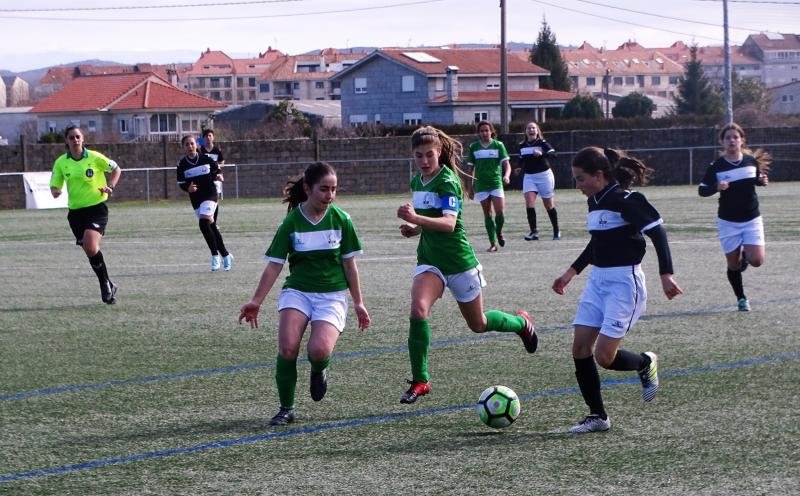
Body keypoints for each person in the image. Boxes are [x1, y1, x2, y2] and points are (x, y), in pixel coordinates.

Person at [397, 126, 538, 405]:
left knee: (479, 323)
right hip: (430, 261)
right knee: (418, 309)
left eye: (429, 155)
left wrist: (417, 219)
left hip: (459, 261)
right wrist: (413, 229)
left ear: (439, 153)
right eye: (418, 156)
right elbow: (429, 220)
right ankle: (420, 380)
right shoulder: (417, 181)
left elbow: (448, 225)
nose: (424, 161)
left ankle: (522, 323)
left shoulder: (447, 181)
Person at [551, 146, 682, 434]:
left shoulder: (627, 200)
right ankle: (597, 416)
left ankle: (645, 362)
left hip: (625, 284)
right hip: (598, 282)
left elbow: (657, 232)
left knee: (604, 357)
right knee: (580, 347)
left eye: (581, 178)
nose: (578, 185)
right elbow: (597, 243)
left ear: (600, 175)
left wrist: (666, 275)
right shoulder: (595, 201)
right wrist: (571, 273)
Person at [238, 162, 370, 426]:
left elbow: (349, 265)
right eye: (324, 189)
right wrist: (256, 301)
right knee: (287, 347)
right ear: (308, 189)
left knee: (319, 350)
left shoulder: (342, 220)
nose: (329, 195)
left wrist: (358, 302)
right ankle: (286, 408)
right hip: (297, 292)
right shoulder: (292, 222)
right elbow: (275, 264)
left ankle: (319, 369)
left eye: (334, 189)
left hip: (331, 295)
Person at [698, 123, 770, 312]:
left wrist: (761, 181)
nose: (732, 140)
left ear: (742, 140)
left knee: (757, 261)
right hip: (728, 221)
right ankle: (741, 298)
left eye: (735, 137)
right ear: (722, 141)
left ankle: (747, 255)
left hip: (751, 218)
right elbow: (702, 190)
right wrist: (716, 187)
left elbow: (755, 179)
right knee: (733, 264)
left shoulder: (750, 161)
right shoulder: (716, 166)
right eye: (728, 137)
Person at [49, 125, 122, 304]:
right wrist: (55, 191)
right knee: (91, 252)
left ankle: (104, 285)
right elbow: (55, 185)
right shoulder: (61, 162)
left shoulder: (95, 157)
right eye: (71, 137)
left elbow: (116, 169)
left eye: (78, 137)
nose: (75, 140)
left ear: (83, 139)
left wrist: (110, 186)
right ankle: (107, 283)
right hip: (75, 213)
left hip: (96, 208)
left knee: (90, 245)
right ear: (66, 140)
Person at [176, 135, 233, 272]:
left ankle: (215, 256)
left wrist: (219, 175)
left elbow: (216, 170)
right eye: (187, 144)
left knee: (203, 223)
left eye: (192, 144)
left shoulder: (205, 158)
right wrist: (187, 188)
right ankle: (225, 255)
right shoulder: (181, 164)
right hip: (196, 199)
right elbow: (181, 183)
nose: (190, 146)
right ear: (183, 147)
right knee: (211, 227)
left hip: (210, 194)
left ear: (196, 145)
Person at [467, 120, 511, 251]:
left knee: (500, 212)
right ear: (478, 133)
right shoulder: (474, 147)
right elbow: (470, 170)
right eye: (482, 131)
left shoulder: (498, 145)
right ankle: (493, 243)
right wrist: (470, 188)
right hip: (481, 185)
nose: (485, 133)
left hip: (496, 183)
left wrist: (507, 175)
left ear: (491, 131)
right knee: (487, 214)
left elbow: (507, 164)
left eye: (487, 130)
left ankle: (499, 232)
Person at [514, 121, 561, 241]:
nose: (531, 130)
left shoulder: (542, 143)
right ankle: (534, 232)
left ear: (537, 130)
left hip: (544, 176)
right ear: (526, 131)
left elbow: (554, 155)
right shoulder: (522, 145)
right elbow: (521, 159)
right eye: (529, 128)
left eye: (533, 128)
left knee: (549, 205)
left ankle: (556, 231)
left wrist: (542, 154)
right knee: (529, 203)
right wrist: (518, 167)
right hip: (529, 177)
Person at [200, 128, 225, 205]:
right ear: (203, 138)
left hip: (216, 175)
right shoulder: (201, 150)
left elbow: (222, 163)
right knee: (204, 195)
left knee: (216, 194)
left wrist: (217, 165)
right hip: (204, 175)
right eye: (206, 136)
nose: (208, 137)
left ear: (213, 137)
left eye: (210, 135)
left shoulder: (217, 150)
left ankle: (214, 208)